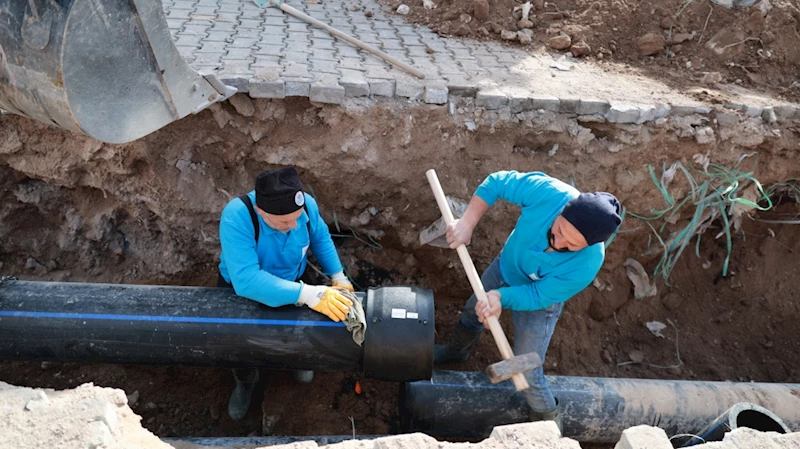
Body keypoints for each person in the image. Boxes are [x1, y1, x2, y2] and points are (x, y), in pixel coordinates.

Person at [435, 170, 621, 430]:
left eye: (572, 244)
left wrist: (500, 297)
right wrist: (467, 222)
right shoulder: (549, 193)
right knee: (470, 313)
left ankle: (548, 423)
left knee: (526, 368)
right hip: (506, 267)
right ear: (563, 210)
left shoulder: (588, 264)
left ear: (589, 245)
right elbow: (497, 183)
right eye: (559, 230)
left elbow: (537, 295)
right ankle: (456, 352)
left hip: (539, 300)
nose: (558, 242)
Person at [218, 166, 354, 421]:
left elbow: (320, 238)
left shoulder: (307, 207)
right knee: (238, 346)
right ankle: (246, 382)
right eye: (284, 223)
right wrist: (309, 295)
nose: (293, 226)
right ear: (261, 212)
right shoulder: (238, 216)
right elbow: (247, 280)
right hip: (242, 293)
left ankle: (299, 360)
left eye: (297, 218)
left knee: (303, 330)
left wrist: (338, 277)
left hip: (295, 280)